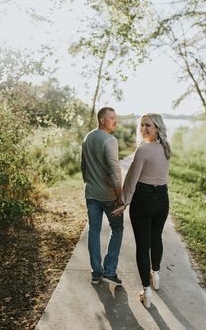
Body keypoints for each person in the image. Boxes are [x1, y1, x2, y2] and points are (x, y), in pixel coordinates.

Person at [112, 113, 171, 308]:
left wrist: (124, 202)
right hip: (162, 199)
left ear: (157, 128)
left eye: (148, 125)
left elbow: (132, 179)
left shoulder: (144, 149)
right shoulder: (165, 148)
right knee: (156, 239)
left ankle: (146, 292)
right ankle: (156, 276)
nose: (143, 129)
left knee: (143, 245)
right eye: (142, 125)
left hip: (144, 199)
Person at [81, 107, 124, 286]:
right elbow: (115, 171)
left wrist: (90, 183)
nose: (115, 121)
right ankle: (110, 271)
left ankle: (96, 273)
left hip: (91, 194)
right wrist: (119, 198)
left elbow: (83, 166)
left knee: (94, 230)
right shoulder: (110, 140)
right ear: (102, 120)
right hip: (108, 196)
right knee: (118, 229)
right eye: (111, 118)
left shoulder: (87, 137)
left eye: (116, 118)